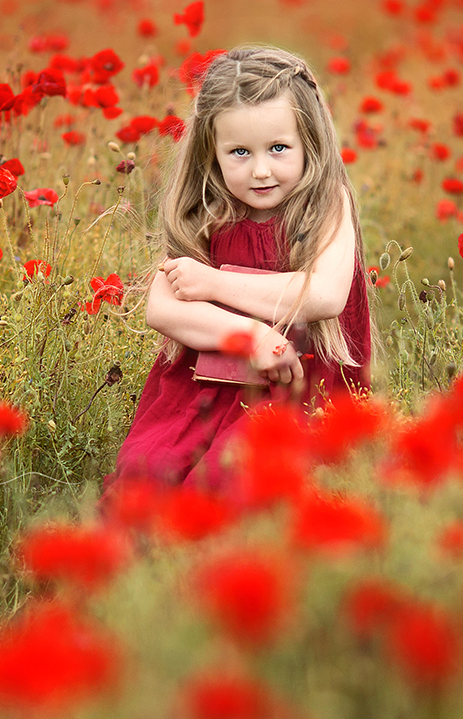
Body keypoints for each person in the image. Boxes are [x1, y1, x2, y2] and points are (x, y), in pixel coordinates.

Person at [109, 46, 372, 491]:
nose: (261, 170)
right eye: (239, 153)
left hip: (299, 392)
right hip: (207, 390)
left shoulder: (326, 205)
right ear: (211, 152)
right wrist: (252, 336)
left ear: (310, 142)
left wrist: (213, 282)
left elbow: (325, 295)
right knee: (147, 474)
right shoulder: (208, 212)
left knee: (232, 482)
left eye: (278, 148)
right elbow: (163, 310)